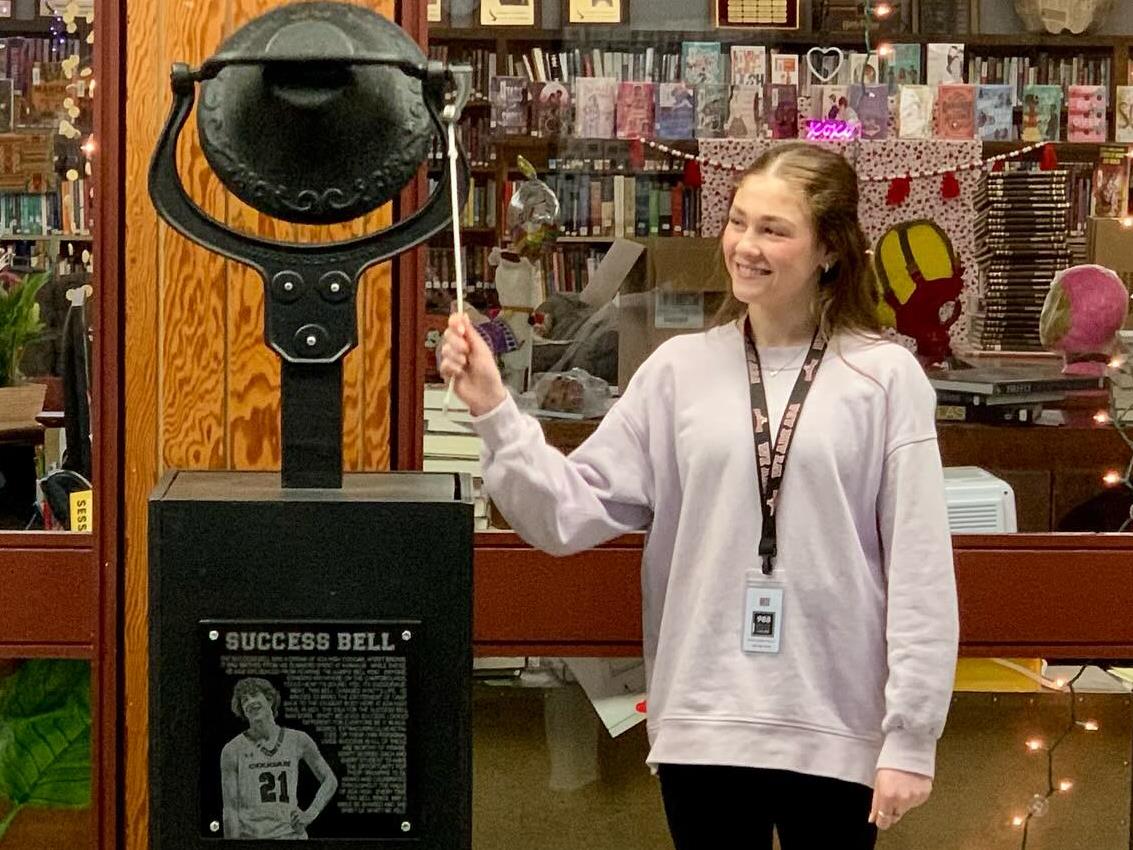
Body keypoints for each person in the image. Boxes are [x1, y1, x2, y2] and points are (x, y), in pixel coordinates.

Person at [439, 141, 958, 849]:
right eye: (738, 221)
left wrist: (910, 735)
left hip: (835, 727)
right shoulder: (678, 370)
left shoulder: (884, 377)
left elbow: (920, 568)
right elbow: (565, 514)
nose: (745, 246)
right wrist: (495, 409)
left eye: (773, 230)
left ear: (829, 249)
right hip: (703, 722)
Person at [220, 677, 339, 840]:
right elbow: (230, 810)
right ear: (242, 710)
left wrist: (311, 812)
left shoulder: (299, 739)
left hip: (291, 836)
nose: (249, 702)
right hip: (252, 839)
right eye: (244, 700)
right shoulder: (232, 750)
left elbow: (330, 780)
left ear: (269, 699)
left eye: (254, 695)